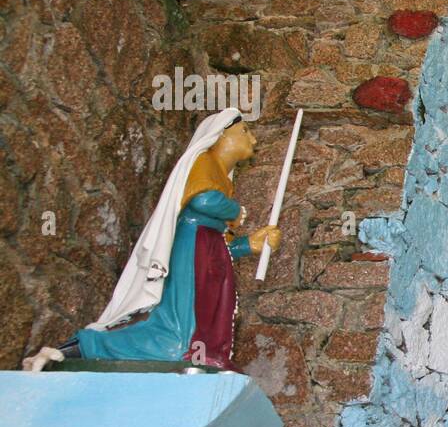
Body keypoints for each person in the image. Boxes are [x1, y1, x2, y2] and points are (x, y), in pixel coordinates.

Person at [22, 108, 280, 372]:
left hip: (205, 254)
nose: (254, 140)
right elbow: (202, 200)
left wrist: (250, 245)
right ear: (221, 135)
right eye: (245, 131)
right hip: (192, 252)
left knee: (204, 320)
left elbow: (218, 246)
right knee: (180, 329)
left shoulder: (222, 180)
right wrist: (237, 211)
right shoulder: (204, 161)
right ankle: (84, 348)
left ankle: (206, 355)